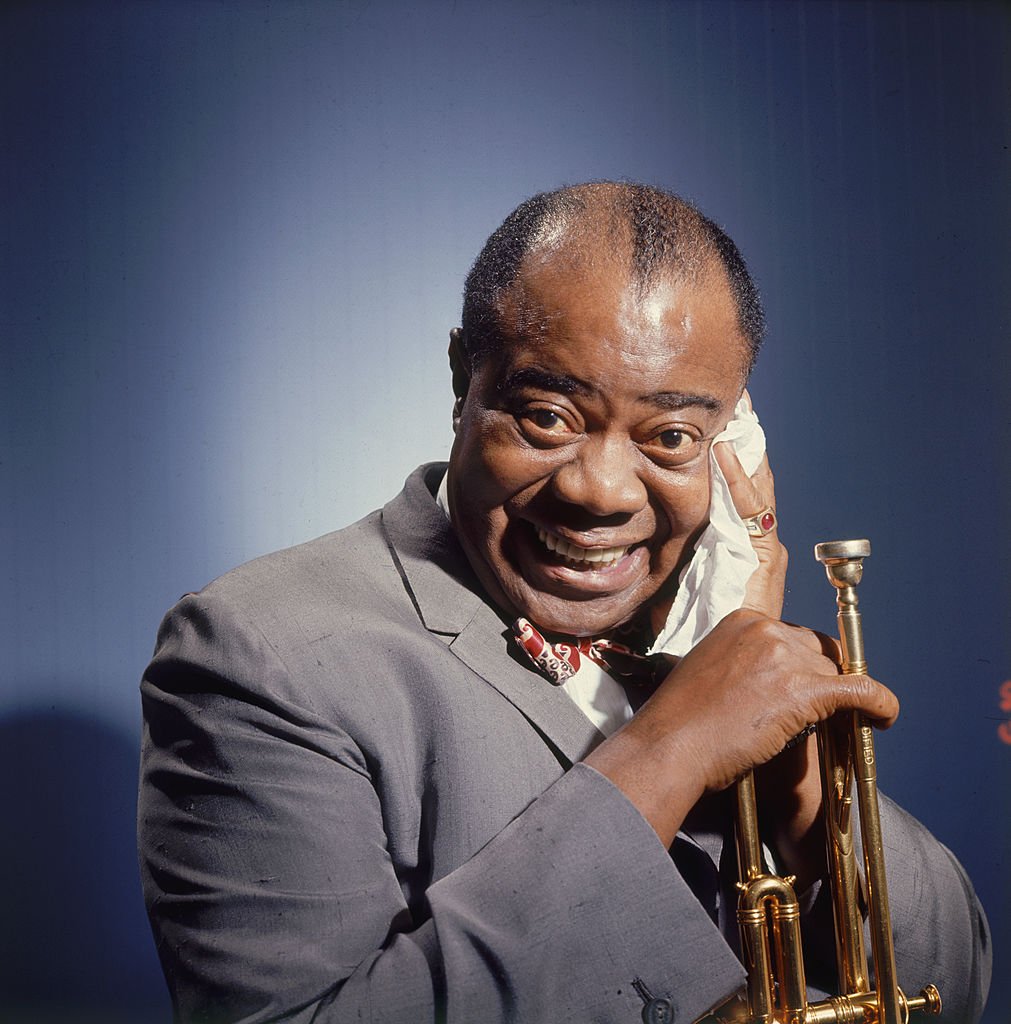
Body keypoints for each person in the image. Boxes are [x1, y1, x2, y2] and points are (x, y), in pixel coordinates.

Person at [138, 182, 990, 1024]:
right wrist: (671, 746)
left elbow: (949, 990)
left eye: (670, 437)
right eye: (547, 417)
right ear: (461, 382)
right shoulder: (260, 652)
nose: (602, 491)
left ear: (731, 442)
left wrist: (806, 798)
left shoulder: (720, 644)